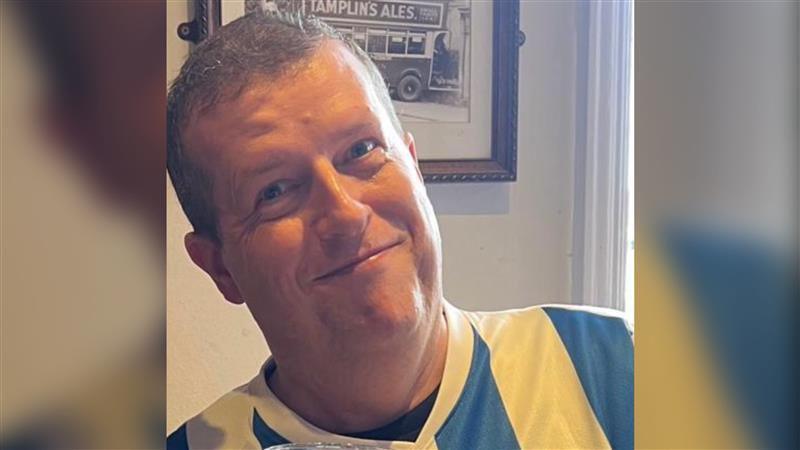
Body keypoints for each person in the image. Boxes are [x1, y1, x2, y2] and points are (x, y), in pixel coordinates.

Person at [166, 11, 632, 450]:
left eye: (363, 149)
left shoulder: (620, 367)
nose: (346, 215)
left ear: (413, 163)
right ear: (220, 268)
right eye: (275, 191)